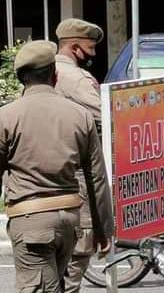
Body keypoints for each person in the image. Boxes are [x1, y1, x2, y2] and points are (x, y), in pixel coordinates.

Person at [0, 40, 113, 293]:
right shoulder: (80, 115)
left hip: (31, 222)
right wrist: (104, 229)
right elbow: (97, 177)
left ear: (21, 78)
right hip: (70, 221)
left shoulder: (5, 116)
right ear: (55, 75)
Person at [54, 18, 105, 293]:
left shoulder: (37, 72)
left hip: (38, 177)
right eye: (90, 49)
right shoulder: (77, 79)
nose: (93, 56)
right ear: (75, 47)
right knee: (78, 253)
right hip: (75, 172)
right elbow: (104, 117)